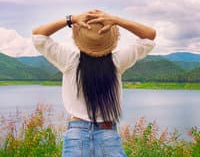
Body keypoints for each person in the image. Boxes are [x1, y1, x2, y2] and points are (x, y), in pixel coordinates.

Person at [32, 9, 156, 157]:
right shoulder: (116, 62)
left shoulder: (69, 61)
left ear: (80, 38)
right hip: (107, 134)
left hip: (76, 135)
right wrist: (116, 20)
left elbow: (38, 35)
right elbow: (150, 36)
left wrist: (71, 19)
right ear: (110, 38)